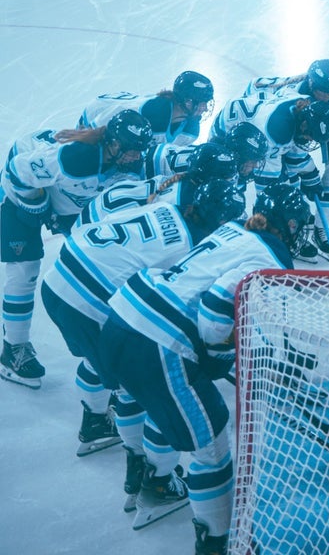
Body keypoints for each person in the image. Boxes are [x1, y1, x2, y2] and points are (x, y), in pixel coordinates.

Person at [97, 183, 307, 553]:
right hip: (157, 340)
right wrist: (218, 355)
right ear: (290, 225)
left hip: (121, 317)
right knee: (211, 441)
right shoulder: (269, 259)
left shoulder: (232, 229)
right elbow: (214, 310)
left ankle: (156, 485)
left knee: (165, 408)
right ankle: (218, 541)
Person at [41, 177, 243, 474]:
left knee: (97, 359)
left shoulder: (163, 208)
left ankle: (95, 420)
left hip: (56, 280)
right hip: (85, 303)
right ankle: (143, 469)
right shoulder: (189, 245)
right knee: (134, 383)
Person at [1, 110, 153, 389]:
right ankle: (13, 348)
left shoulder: (131, 166)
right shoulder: (75, 157)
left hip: (64, 199)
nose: (135, 157)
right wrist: (39, 208)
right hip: (22, 188)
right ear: (113, 144)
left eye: (140, 151)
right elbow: (18, 173)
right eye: (130, 150)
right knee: (25, 271)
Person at [210, 94, 329, 259]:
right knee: (234, 189)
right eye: (310, 135)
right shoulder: (277, 130)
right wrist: (281, 219)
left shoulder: (304, 114)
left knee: (290, 182)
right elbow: (268, 188)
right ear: (304, 124)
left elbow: (296, 157)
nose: (310, 140)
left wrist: (311, 178)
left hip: (253, 130)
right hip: (227, 133)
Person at [76, 142, 241, 227]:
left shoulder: (181, 180)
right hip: (97, 225)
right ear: (211, 179)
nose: (231, 182)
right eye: (227, 177)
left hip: (98, 210)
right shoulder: (185, 204)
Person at [79, 71, 214, 146]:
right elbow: (98, 130)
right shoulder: (150, 113)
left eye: (206, 103)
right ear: (187, 101)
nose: (205, 109)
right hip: (98, 112)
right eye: (201, 103)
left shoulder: (191, 130)